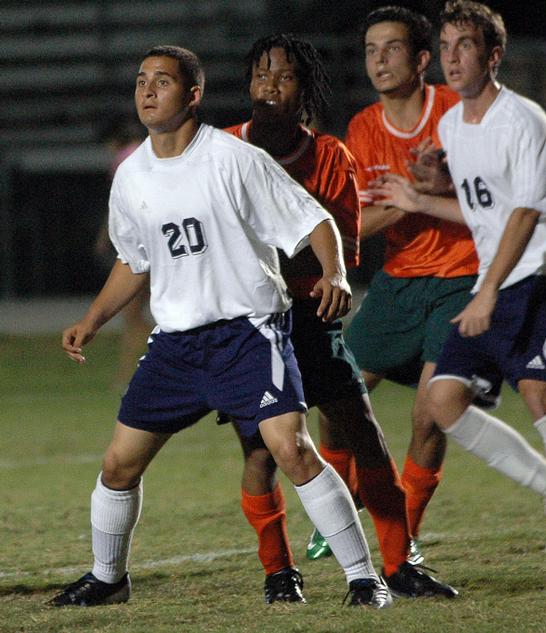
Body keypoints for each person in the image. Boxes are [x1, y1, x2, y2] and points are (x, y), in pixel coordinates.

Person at [49, 44, 393, 609]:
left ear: (193, 95)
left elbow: (316, 220)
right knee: (117, 465)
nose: (148, 90)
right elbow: (134, 260)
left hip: (248, 333)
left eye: (163, 81)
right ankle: (109, 579)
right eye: (141, 80)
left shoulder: (234, 157)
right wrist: (91, 319)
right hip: (177, 346)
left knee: (293, 448)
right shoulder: (133, 173)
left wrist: (335, 271)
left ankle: (364, 578)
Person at [223, 33, 457, 603]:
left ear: (304, 90)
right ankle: (279, 571)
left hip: (308, 315)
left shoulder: (329, 155)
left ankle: (400, 564)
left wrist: (280, 249)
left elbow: (339, 249)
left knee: (364, 434)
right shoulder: (224, 150)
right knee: (259, 453)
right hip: (247, 326)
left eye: (282, 77)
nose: (268, 87)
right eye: (260, 75)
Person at [343, 4, 546, 558]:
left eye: (463, 46)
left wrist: (486, 286)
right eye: (446, 47)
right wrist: (419, 199)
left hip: (513, 274)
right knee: (400, 396)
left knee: (526, 395)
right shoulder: (429, 127)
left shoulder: (501, 116)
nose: (452, 58)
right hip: (449, 280)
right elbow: (477, 211)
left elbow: (517, 212)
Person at [94, 117, 151, 391]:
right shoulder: (149, 151)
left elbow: (119, 205)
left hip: (141, 247)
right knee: (152, 313)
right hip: (162, 242)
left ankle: (130, 376)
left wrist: (105, 237)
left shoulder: (123, 161)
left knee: (133, 317)